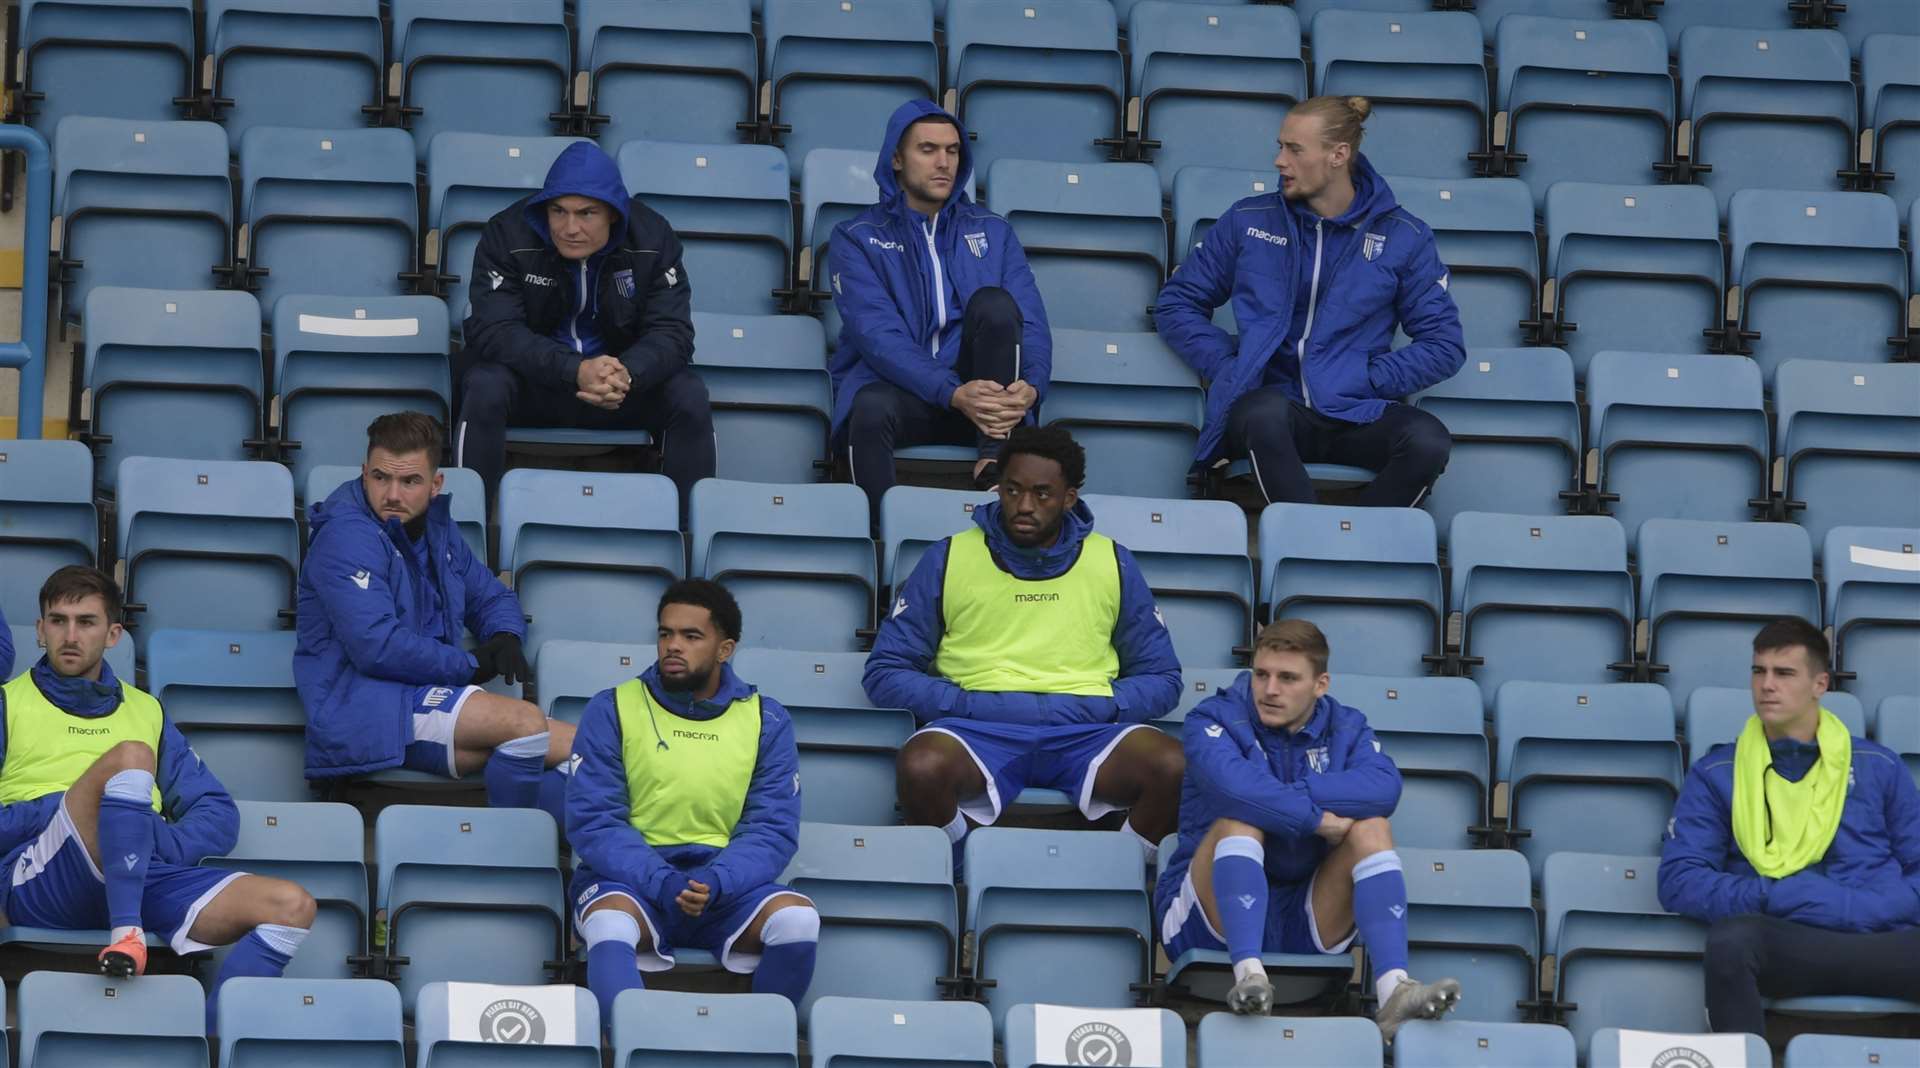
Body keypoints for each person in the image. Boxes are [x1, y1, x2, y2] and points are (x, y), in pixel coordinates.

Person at [0, 566, 316, 1032]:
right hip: (42, 880)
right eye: (58, 620)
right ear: (41, 630)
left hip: (136, 870)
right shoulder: (7, 704)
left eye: (86, 622)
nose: (70, 635)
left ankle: (207, 1041)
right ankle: (128, 934)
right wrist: (56, 809)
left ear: (113, 635)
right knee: (129, 757)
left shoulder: (146, 709)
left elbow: (217, 814)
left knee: (292, 905)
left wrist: (148, 840)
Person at [866, 426, 1186, 866]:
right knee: (921, 766)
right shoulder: (947, 556)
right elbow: (885, 672)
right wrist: (965, 703)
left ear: (1069, 498)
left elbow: (1164, 678)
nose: (1024, 506)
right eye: (1012, 491)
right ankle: (961, 873)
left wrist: (1106, 705)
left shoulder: (1112, 560)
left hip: (1088, 729)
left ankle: (1117, 872)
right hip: (977, 727)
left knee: (1177, 766)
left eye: (1042, 494)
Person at [1154, 95, 1466, 507]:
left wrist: (1367, 378)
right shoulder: (1249, 221)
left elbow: (1444, 345)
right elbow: (1177, 303)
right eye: (1280, 146)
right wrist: (1233, 364)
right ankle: (1305, 537)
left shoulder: (1404, 235)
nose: (1280, 161)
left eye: (1294, 149)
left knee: (1428, 439)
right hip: (1273, 409)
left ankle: (1358, 548)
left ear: (1339, 155)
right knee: (1260, 412)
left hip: (1358, 410)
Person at [1156, 620, 1461, 1039]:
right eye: (1261, 674)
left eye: (1287, 678)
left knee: (1371, 827)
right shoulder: (1212, 718)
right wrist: (1314, 818)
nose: (1270, 689)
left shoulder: (1346, 726)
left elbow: (1384, 788)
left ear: (1320, 684)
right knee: (1240, 819)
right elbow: (1234, 789)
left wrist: (1295, 791)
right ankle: (1247, 975)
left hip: (1305, 913)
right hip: (1210, 919)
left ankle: (1394, 992)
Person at [296, 413, 574, 822]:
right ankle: (512, 844)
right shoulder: (345, 535)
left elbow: (489, 595)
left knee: (585, 747)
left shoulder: (436, 530)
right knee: (525, 723)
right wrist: (470, 664)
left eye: (409, 481)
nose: (393, 494)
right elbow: (376, 646)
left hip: (423, 694)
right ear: (363, 473)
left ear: (435, 483)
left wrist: (504, 635)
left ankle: (552, 851)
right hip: (366, 707)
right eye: (380, 477)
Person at [568, 579, 816, 1022]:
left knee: (798, 920)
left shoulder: (767, 719)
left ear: (725, 649)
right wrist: (661, 880)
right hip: (631, 883)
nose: (672, 646)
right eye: (665, 634)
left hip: (724, 889)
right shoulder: (612, 708)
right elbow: (595, 822)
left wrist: (718, 881)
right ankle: (630, 1045)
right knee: (609, 923)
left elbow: (772, 828)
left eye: (691, 636)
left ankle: (757, 1043)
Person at [1658, 618, 1920, 1036]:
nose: (1767, 685)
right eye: (1758, 671)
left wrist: (1866, 908)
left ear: (1820, 684)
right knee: (1730, 944)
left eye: (1784, 673)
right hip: (1785, 939)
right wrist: (1774, 895)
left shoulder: (1880, 765)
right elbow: (1680, 879)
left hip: (1879, 936)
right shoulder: (1717, 772)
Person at [457, 140, 714, 511]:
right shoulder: (507, 234)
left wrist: (628, 373)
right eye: (558, 211)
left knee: (689, 392)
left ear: (613, 213)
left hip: (618, 388)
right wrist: (573, 369)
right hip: (536, 383)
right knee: (483, 384)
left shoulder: (654, 237)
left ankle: (691, 537)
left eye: (586, 213)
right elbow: (493, 330)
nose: (569, 228)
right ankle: (467, 526)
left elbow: (673, 333)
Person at [829, 98, 1052, 501]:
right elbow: (878, 336)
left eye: (952, 151)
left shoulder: (994, 231)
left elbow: (1031, 321)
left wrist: (1032, 387)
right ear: (897, 159)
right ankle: (879, 534)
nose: (943, 162)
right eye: (928, 150)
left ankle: (995, 453)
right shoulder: (855, 237)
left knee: (996, 304)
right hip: (904, 395)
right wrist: (951, 392)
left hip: (984, 404)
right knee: (868, 407)